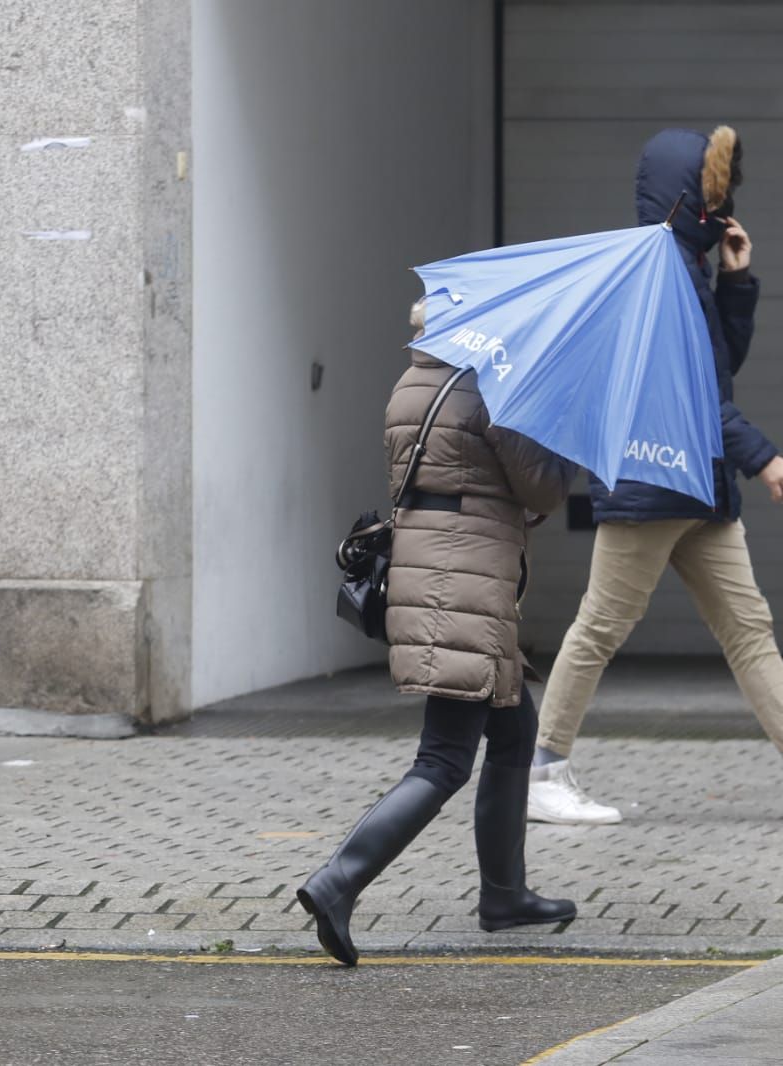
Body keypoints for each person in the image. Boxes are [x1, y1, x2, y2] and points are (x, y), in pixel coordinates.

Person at [528, 126, 783, 825]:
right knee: (601, 627)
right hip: (655, 482)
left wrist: (736, 280)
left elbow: (718, 365)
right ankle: (541, 772)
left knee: (747, 627)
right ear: (686, 193)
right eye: (714, 190)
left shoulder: (683, 267)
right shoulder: (656, 275)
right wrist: (764, 457)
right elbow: (699, 393)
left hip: (695, 486)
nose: (725, 202)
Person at [297, 298, 578, 967]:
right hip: (465, 585)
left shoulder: (415, 383)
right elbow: (538, 488)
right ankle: (338, 884)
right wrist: (562, 436)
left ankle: (504, 896)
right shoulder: (483, 389)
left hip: (443, 574)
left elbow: (466, 479)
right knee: (445, 758)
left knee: (513, 735)